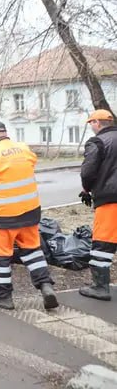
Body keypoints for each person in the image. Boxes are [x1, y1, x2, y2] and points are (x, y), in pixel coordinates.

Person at [0, 120, 58, 310]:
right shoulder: (24, 149)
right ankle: (45, 285)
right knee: (32, 251)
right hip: (29, 213)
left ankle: (3, 297)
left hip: (0, 217)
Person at [78, 109, 117, 301]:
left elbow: (88, 171)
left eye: (91, 123)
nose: (91, 127)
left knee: (103, 242)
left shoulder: (97, 142)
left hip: (111, 198)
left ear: (97, 123)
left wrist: (87, 189)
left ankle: (100, 287)